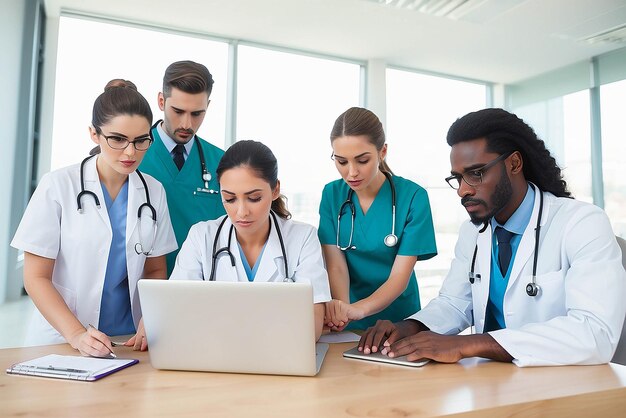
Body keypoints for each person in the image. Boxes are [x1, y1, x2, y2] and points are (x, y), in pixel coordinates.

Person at [359, 108, 626, 367]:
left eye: (476, 174)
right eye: (458, 178)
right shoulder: (472, 232)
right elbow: (455, 303)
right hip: (493, 383)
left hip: (565, 387)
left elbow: (596, 333)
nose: (463, 190)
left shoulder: (581, 223)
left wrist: (467, 345)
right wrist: (409, 328)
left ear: (514, 163)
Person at [11, 80, 177, 356]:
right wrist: (76, 335)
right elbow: (36, 277)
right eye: (117, 139)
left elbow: (155, 269)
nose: (130, 152)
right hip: (63, 338)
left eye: (141, 141)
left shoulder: (153, 191)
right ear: (94, 134)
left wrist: (152, 316)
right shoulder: (58, 186)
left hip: (128, 339)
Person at [170, 140, 331, 340]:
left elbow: (312, 324)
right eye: (229, 199)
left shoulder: (303, 238)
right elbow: (177, 313)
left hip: (279, 359)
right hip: (215, 358)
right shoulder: (201, 237)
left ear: (275, 190)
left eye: (253, 198)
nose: (241, 212)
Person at [318, 107, 437, 331]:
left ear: (382, 152)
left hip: (398, 320)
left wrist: (358, 309)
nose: (351, 172)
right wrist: (342, 311)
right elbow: (336, 266)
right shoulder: (331, 195)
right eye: (342, 162)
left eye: (362, 160)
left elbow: (400, 276)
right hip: (347, 317)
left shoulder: (413, 197)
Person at [139, 60, 226, 275]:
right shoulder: (132, 156)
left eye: (197, 113)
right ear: (161, 101)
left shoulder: (222, 162)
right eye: (178, 111)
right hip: (139, 286)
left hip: (201, 289)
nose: (187, 124)